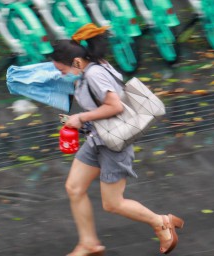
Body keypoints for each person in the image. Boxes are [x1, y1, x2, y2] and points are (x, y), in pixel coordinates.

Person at [50, 23, 184, 256]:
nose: (62, 75)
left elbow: (114, 106)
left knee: (112, 203)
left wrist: (80, 117)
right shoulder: (93, 65)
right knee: (74, 187)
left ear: (77, 63)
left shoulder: (94, 75)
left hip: (113, 144)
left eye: (62, 70)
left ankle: (161, 221)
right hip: (97, 139)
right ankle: (89, 243)